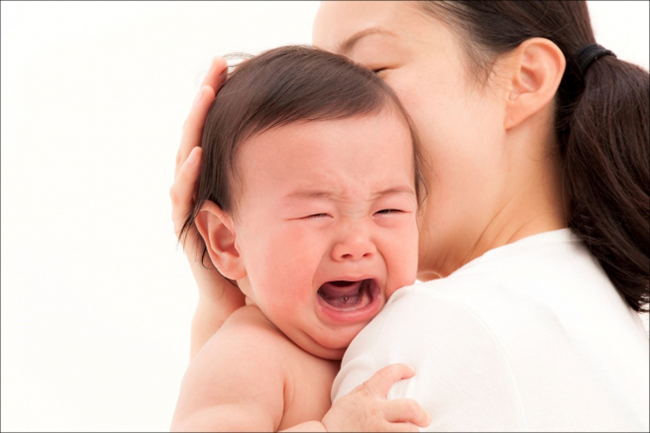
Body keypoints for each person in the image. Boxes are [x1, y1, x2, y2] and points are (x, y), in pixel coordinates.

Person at [170, 1, 649, 430]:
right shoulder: (610, 313)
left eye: (371, 71)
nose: (327, 118)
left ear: (525, 79)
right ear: (226, 238)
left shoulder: (433, 332)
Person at [170, 46, 431, 432]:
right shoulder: (246, 358)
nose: (357, 244)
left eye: (388, 211)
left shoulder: (414, 319)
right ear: (227, 242)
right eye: (317, 215)